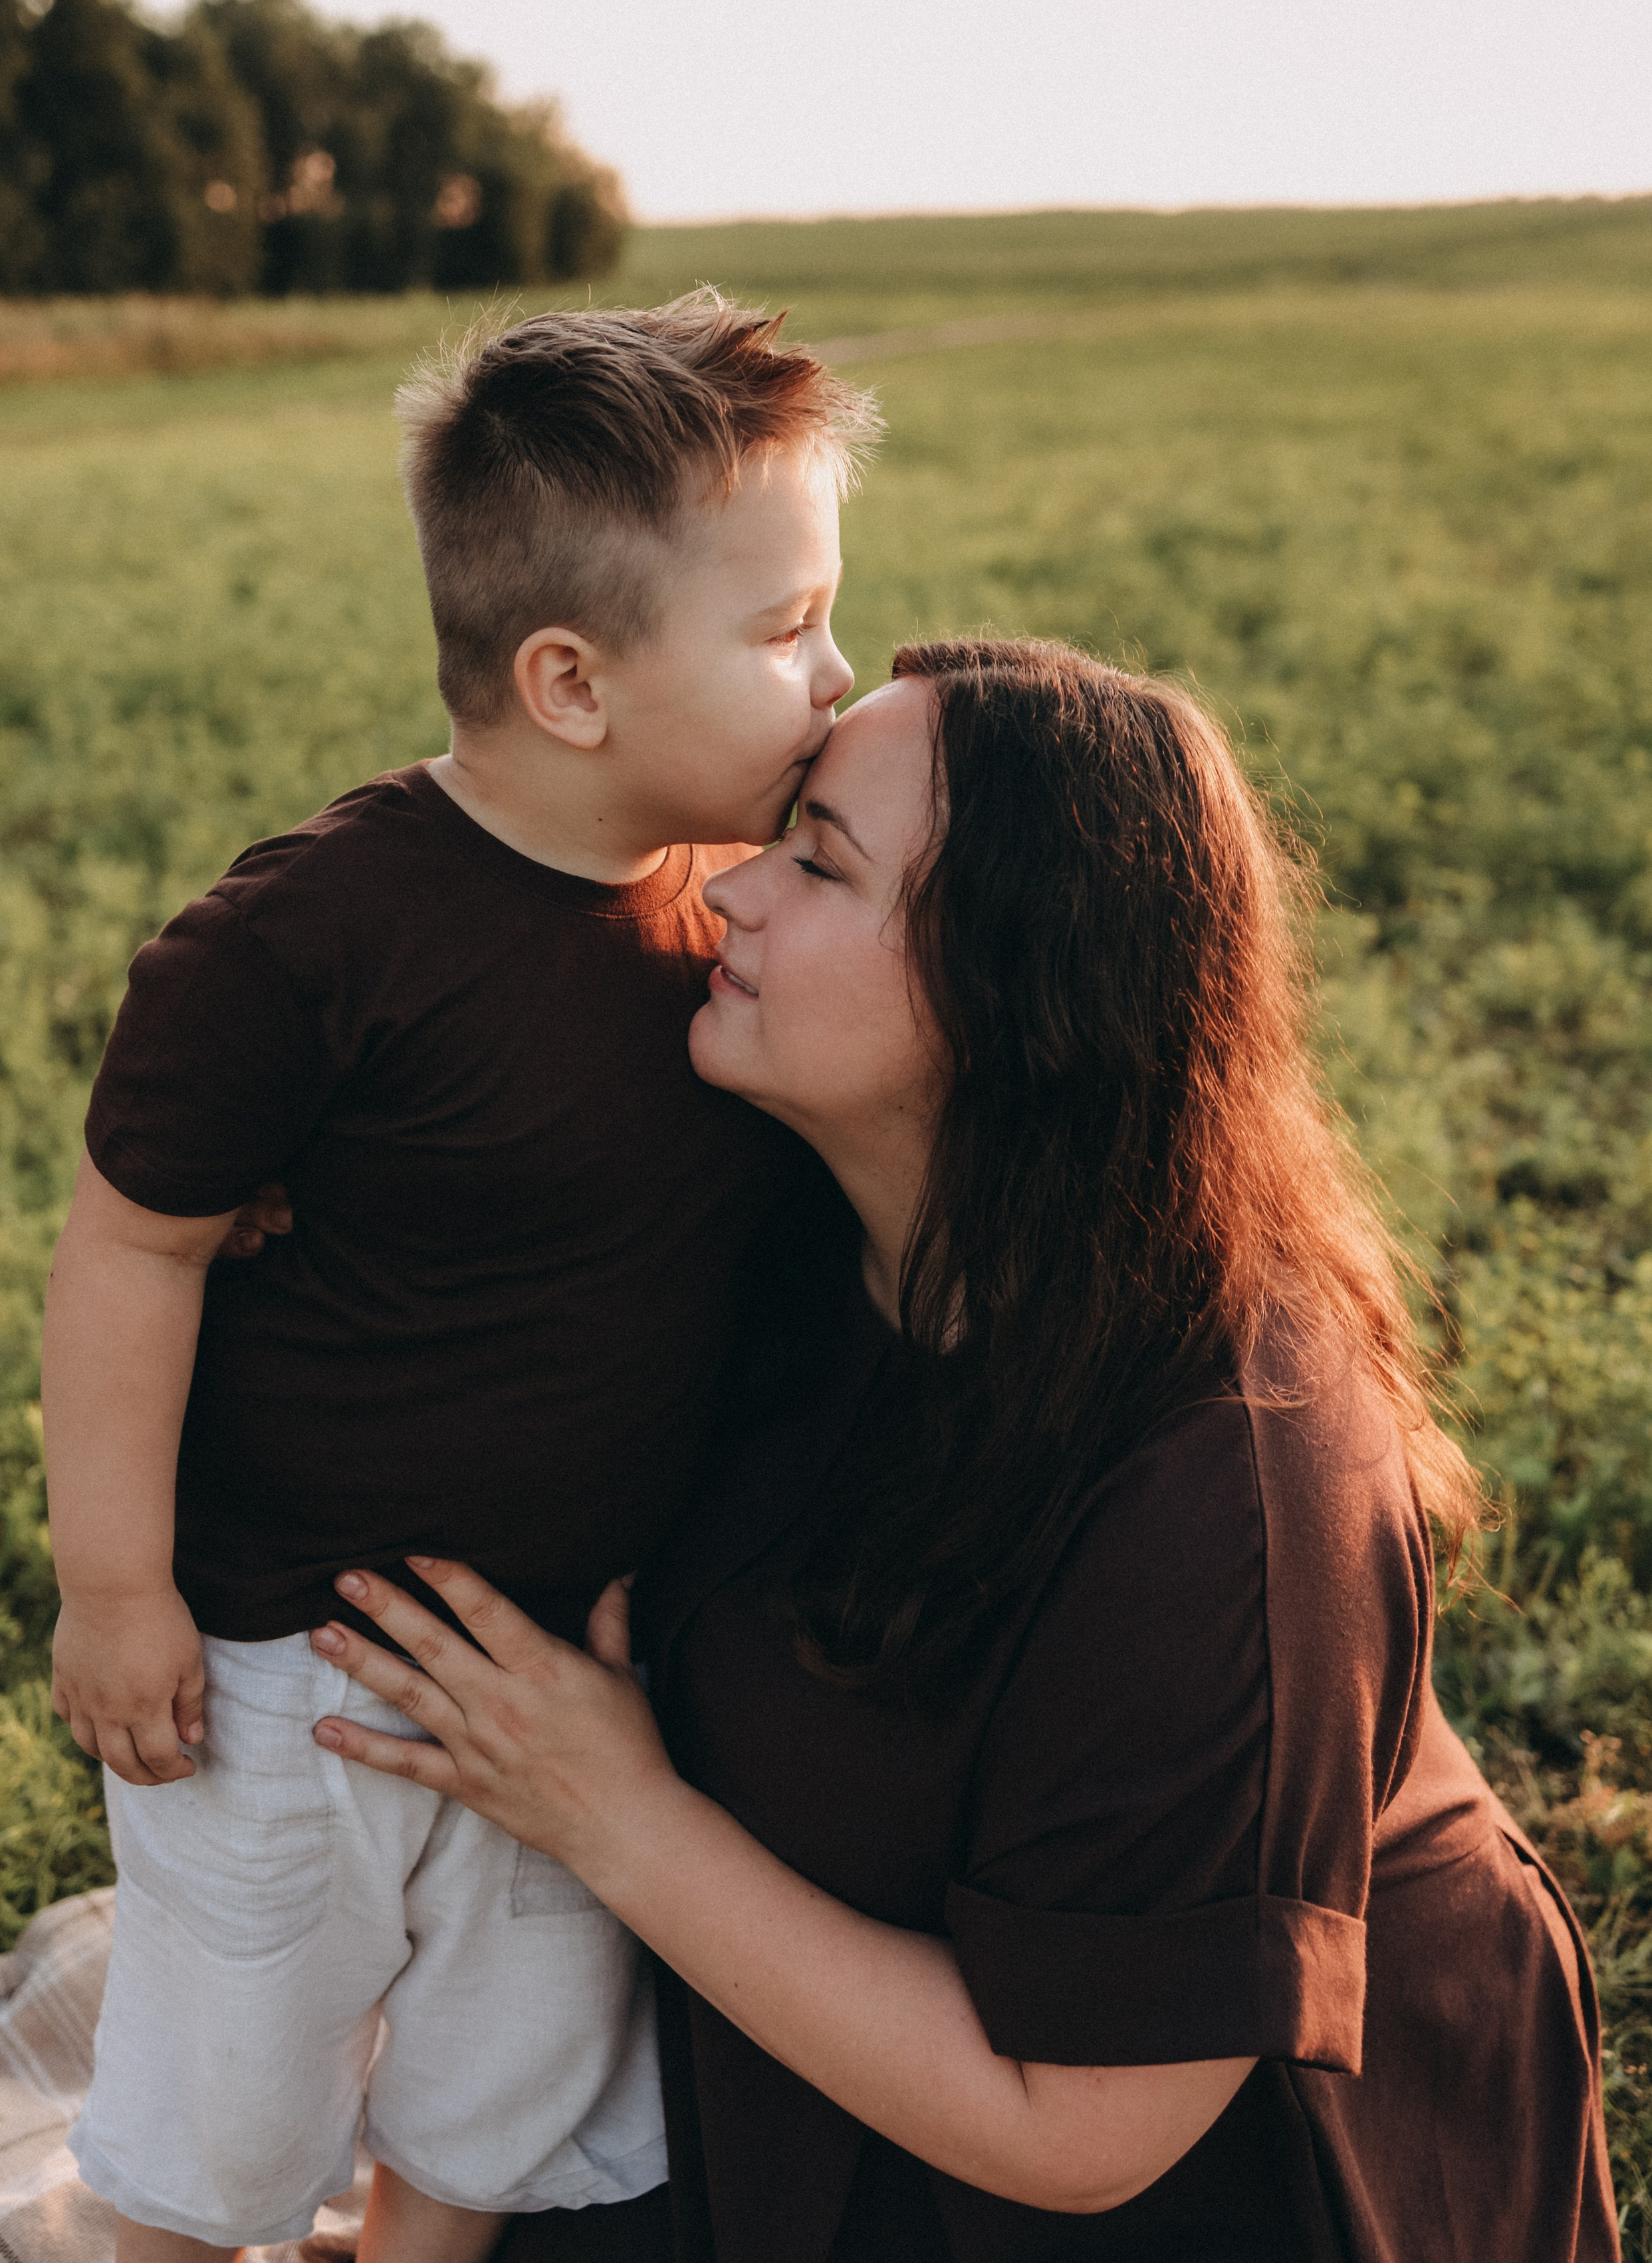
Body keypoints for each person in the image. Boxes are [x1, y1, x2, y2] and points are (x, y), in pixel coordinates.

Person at [304, 639, 1619, 2262]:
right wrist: (268, 1192)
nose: (726, 899)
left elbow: (1085, 2134)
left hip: (1175, 2180)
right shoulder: (785, 1191)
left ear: (1011, 991)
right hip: (796, 2041)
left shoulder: (1234, 1474)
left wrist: (615, 1817)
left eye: (817, 864)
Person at [40, 295, 878, 2263]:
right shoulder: (306, 942)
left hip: (567, 1673)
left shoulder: (730, 931)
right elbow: (132, 1247)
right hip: (279, 1659)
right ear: (572, 682)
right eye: (784, 632)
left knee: (503, 2094)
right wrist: (115, 1586)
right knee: (226, 2101)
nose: (838, 674)